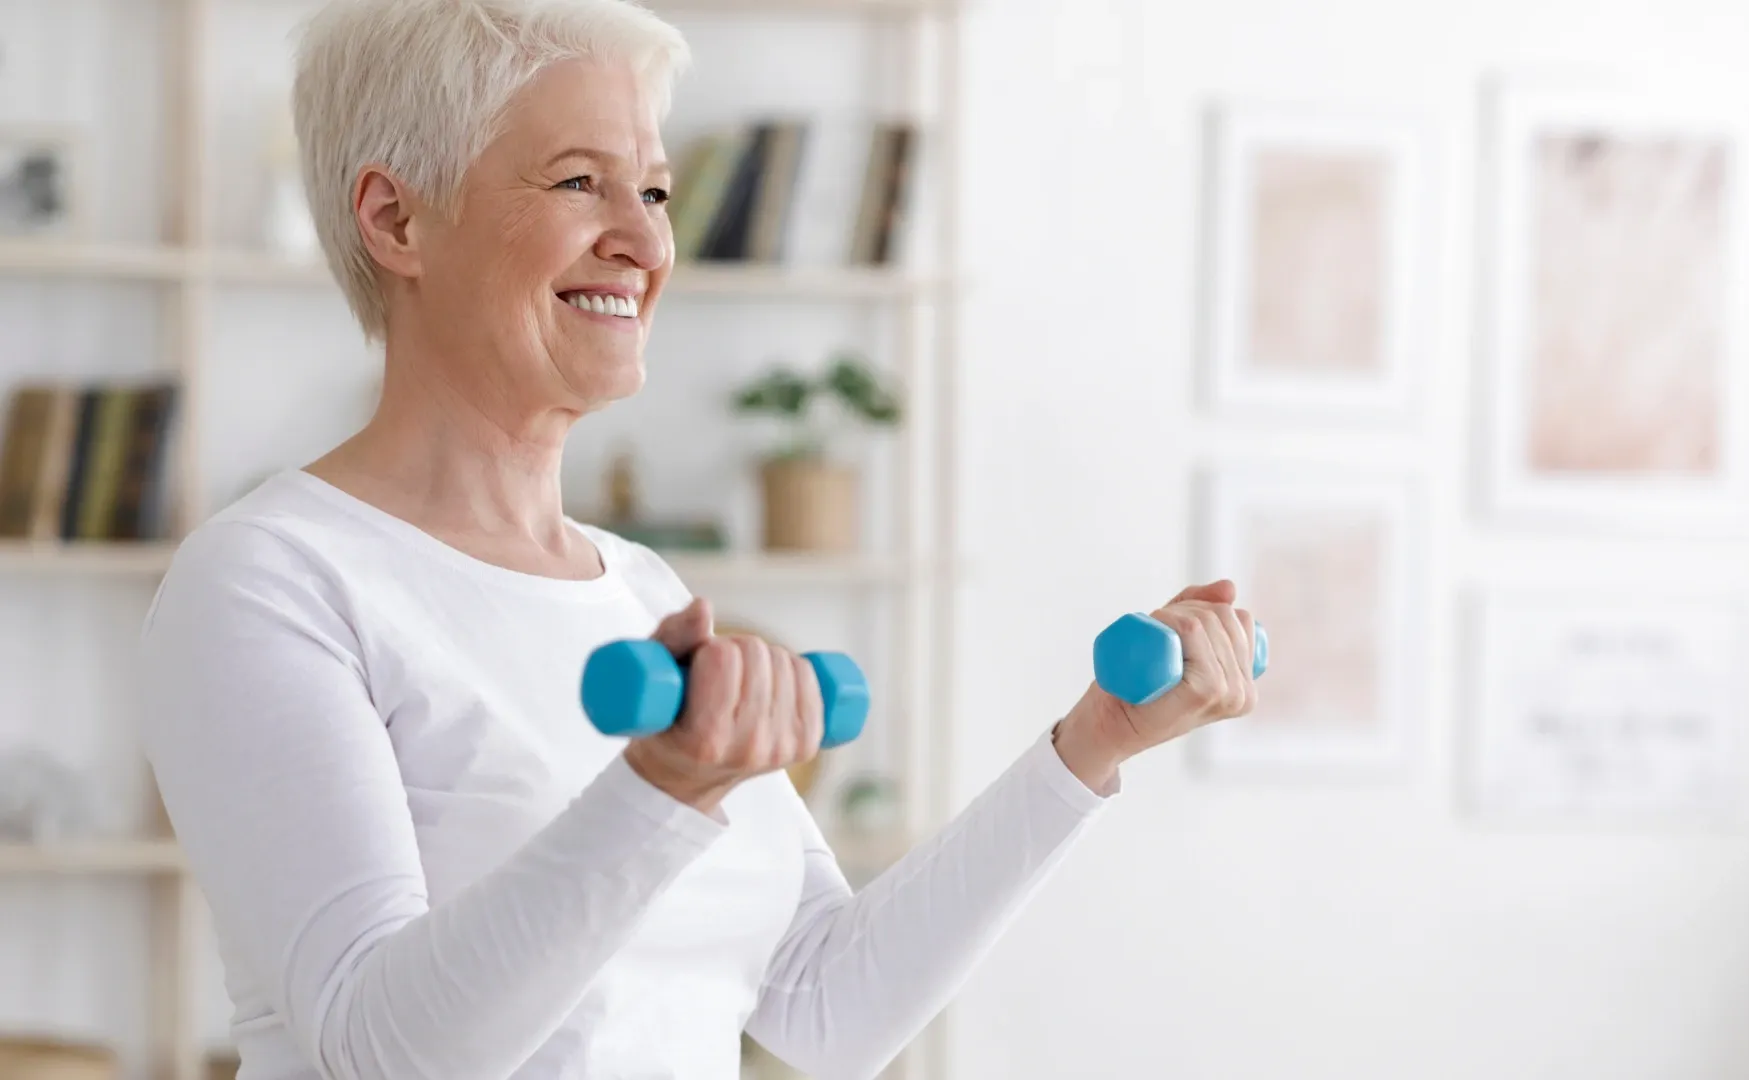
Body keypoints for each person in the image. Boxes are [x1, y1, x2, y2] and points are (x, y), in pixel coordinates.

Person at [133, 0, 1261, 1077]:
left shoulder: (638, 587)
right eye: (581, 182)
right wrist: (664, 789)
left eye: (657, 192)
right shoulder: (271, 581)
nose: (644, 241)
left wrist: (1090, 747)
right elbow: (382, 1051)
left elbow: (827, 1013)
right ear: (395, 218)